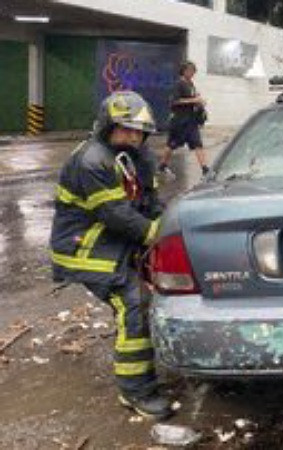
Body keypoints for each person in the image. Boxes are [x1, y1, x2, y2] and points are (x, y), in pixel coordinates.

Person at [49, 91, 172, 420]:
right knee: (135, 303)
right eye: (125, 128)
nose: (133, 136)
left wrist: (167, 222)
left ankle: (157, 360)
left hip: (114, 243)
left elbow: (150, 200)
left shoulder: (136, 156)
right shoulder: (91, 160)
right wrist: (157, 235)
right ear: (107, 126)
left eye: (138, 130)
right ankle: (136, 393)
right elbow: (115, 214)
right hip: (87, 249)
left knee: (157, 293)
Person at [159, 61, 210, 178]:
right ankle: (162, 166)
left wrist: (199, 101)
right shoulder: (179, 84)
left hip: (191, 121)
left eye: (194, 71)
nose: (193, 73)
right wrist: (193, 100)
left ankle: (205, 170)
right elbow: (174, 101)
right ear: (184, 71)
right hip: (179, 121)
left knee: (198, 144)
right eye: (191, 70)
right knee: (171, 145)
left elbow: (192, 98)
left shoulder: (190, 84)